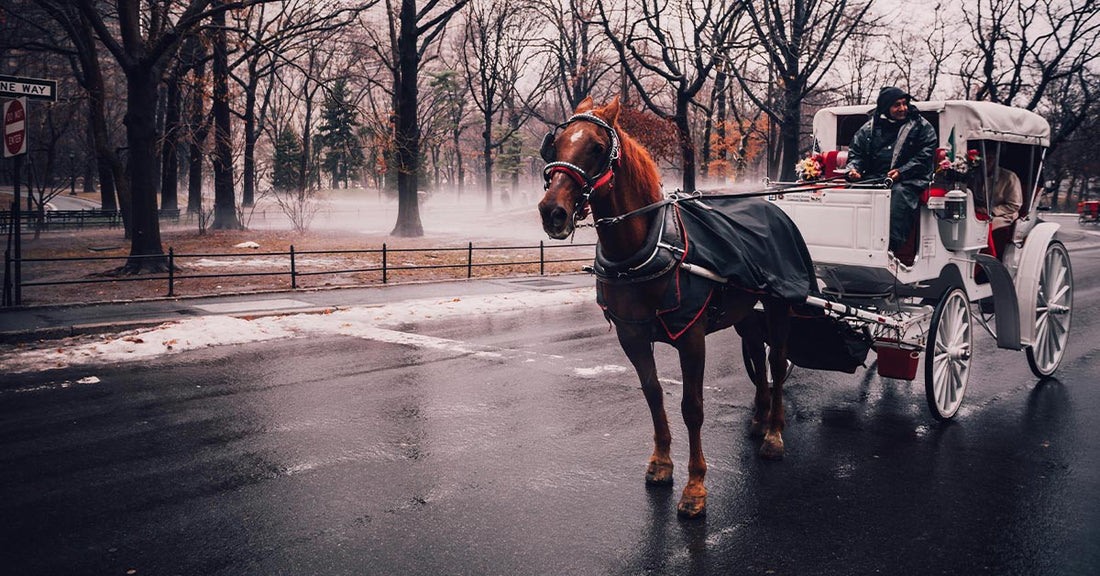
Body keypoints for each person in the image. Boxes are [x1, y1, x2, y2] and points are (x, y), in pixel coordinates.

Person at [845, 87, 938, 252]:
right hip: (876, 178)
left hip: (910, 179)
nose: (903, 108)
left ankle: (890, 248)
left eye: (904, 104)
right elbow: (856, 153)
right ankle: (852, 242)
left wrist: (902, 172)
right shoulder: (868, 128)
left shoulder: (922, 127)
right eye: (897, 105)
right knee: (853, 191)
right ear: (886, 107)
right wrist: (853, 170)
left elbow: (925, 155)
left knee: (899, 194)